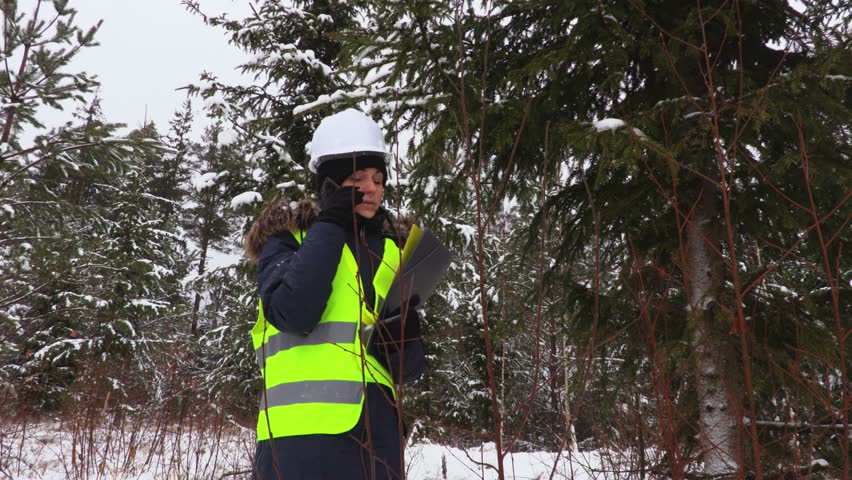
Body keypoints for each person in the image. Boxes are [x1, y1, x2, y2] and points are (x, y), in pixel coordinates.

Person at [244, 109, 426, 480]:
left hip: (377, 440)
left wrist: (402, 329)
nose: (373, 188)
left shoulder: (393, 252)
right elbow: (294, 311)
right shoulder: (287, 240)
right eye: (358, 178)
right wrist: (330, 223)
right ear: (329, 185)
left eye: (378, 178)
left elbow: (408, 370)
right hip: (298, 442)